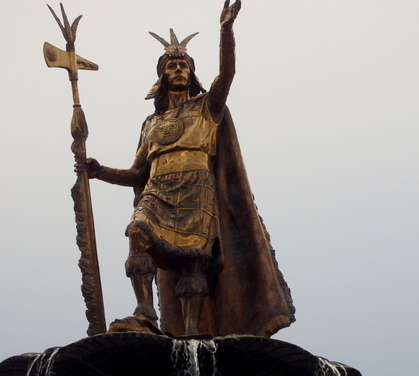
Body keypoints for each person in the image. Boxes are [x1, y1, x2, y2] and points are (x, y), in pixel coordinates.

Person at [84, 0, 295, 337]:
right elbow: (138, 173)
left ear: (191, 72)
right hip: (157, 189)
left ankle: (194, 332)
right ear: (162, 76)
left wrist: (226, 31)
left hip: (197, 187)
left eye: (184, 64)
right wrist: (99, 170)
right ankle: (145, 312)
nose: (178, 69)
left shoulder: (207, 107)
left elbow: (227, 75)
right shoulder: (152, 123)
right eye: (171, 66)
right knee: (138, 231)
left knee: (193, 261)